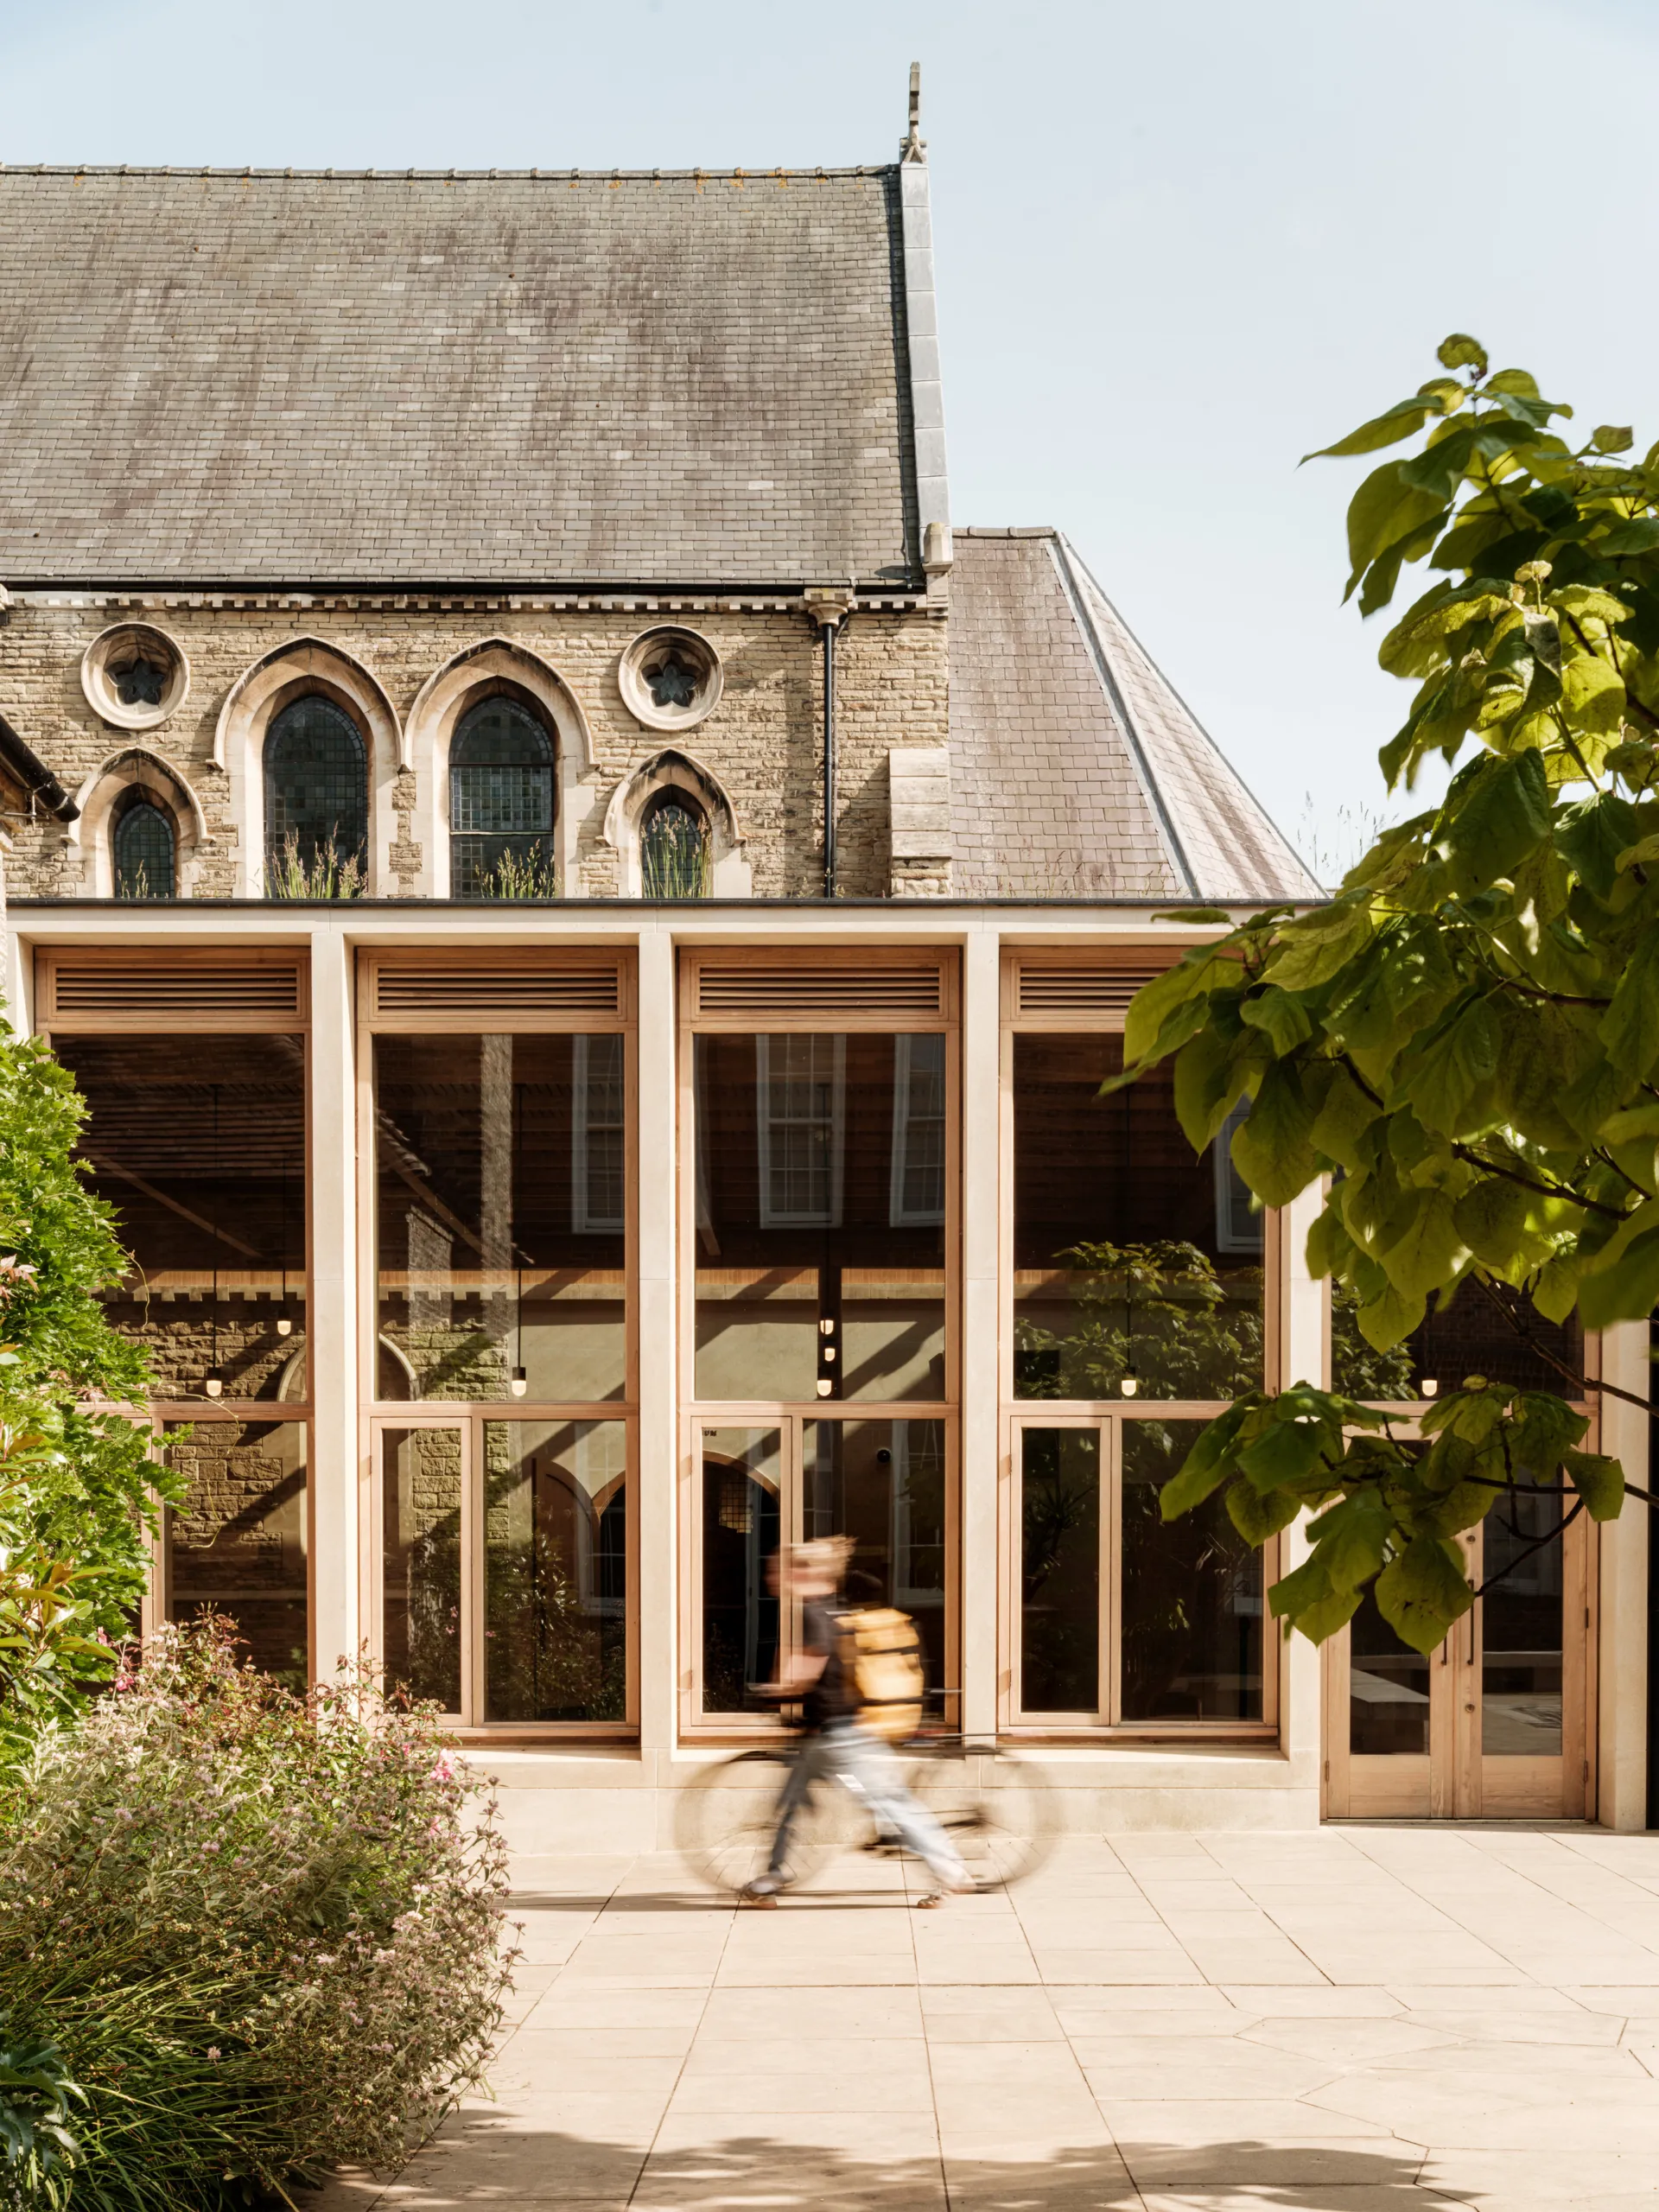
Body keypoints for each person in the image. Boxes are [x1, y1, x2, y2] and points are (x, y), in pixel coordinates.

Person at [743, 1535, 976, 1905]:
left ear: (805, 1573)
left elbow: (808, 1669)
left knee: (889, 1803)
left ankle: (950, 1870)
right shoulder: (833, 1608)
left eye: (781, 1567)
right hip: (825, 1734)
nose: (774, 1574)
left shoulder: (815, 1613)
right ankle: (772, 1876)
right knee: (793, 1802)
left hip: (839, 1735)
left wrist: (773, 1692)